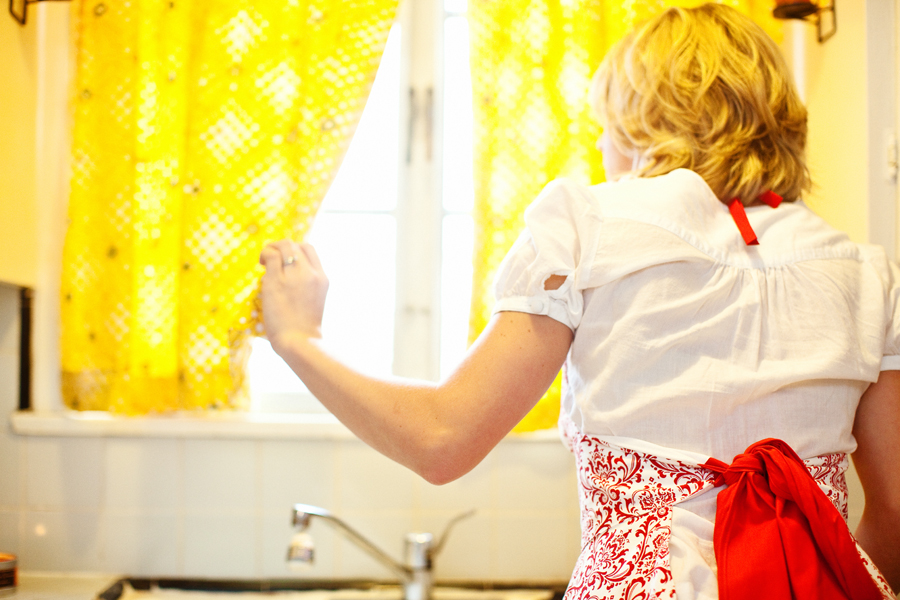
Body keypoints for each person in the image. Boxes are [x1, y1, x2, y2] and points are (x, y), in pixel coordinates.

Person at [259, 4, 899, 598]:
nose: (600, 144)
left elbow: (442, 438)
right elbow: (895, 513)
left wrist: (299, 339)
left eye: (605, 125)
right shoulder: (869, 275)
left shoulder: (588, 227)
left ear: (644, 119)